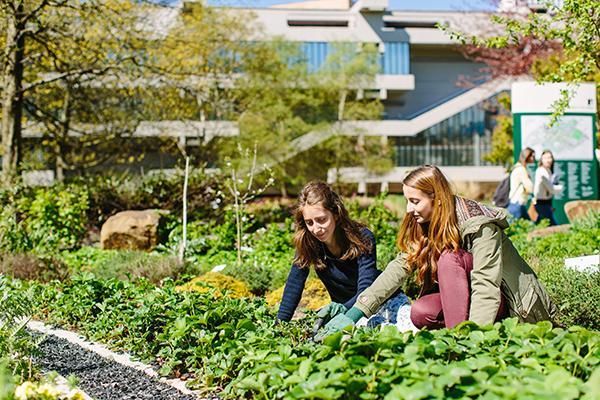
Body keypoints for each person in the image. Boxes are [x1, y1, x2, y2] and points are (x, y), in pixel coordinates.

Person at [315, 165, 556, 338]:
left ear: (437, 198)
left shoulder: (480, 225)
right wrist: (356, 311)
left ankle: (457, 339)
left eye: (415, 201)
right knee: (421, 312)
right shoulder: (425, 223)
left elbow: (486, 285)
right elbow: (398, 268)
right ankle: (454, 334)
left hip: (512, 306)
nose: (409, 209)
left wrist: (474, 340)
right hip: (473, 301)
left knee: (450, 259)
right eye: (407, 200)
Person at [276, 181, 380, 324]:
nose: (316, 229)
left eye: (321, 220)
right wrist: (279, 325)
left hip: (375, 305)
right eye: (309, 222)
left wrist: (342, 311)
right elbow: (294, 284)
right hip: (342, 312)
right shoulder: (309, 243)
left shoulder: (362, 238)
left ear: (336, 214)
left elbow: (366, 289)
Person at [534, 150, 562, 226]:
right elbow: (551, 189)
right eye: (545, 158)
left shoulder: (548, 171)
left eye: (550, 157)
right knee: (553, 226)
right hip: (541, 203)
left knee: (541, 225)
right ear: (541, 160)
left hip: (547, 202)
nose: (548, 160)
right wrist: (560, 187)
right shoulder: (541, 171)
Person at [507, 147, 535, 220]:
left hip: (517, 202)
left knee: (528, 227)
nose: (533, 158)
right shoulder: (521, 169)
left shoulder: (518, 167)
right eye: (531, 156)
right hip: (518, 202)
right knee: (513, 228)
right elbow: (529, 187)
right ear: (526, 156)